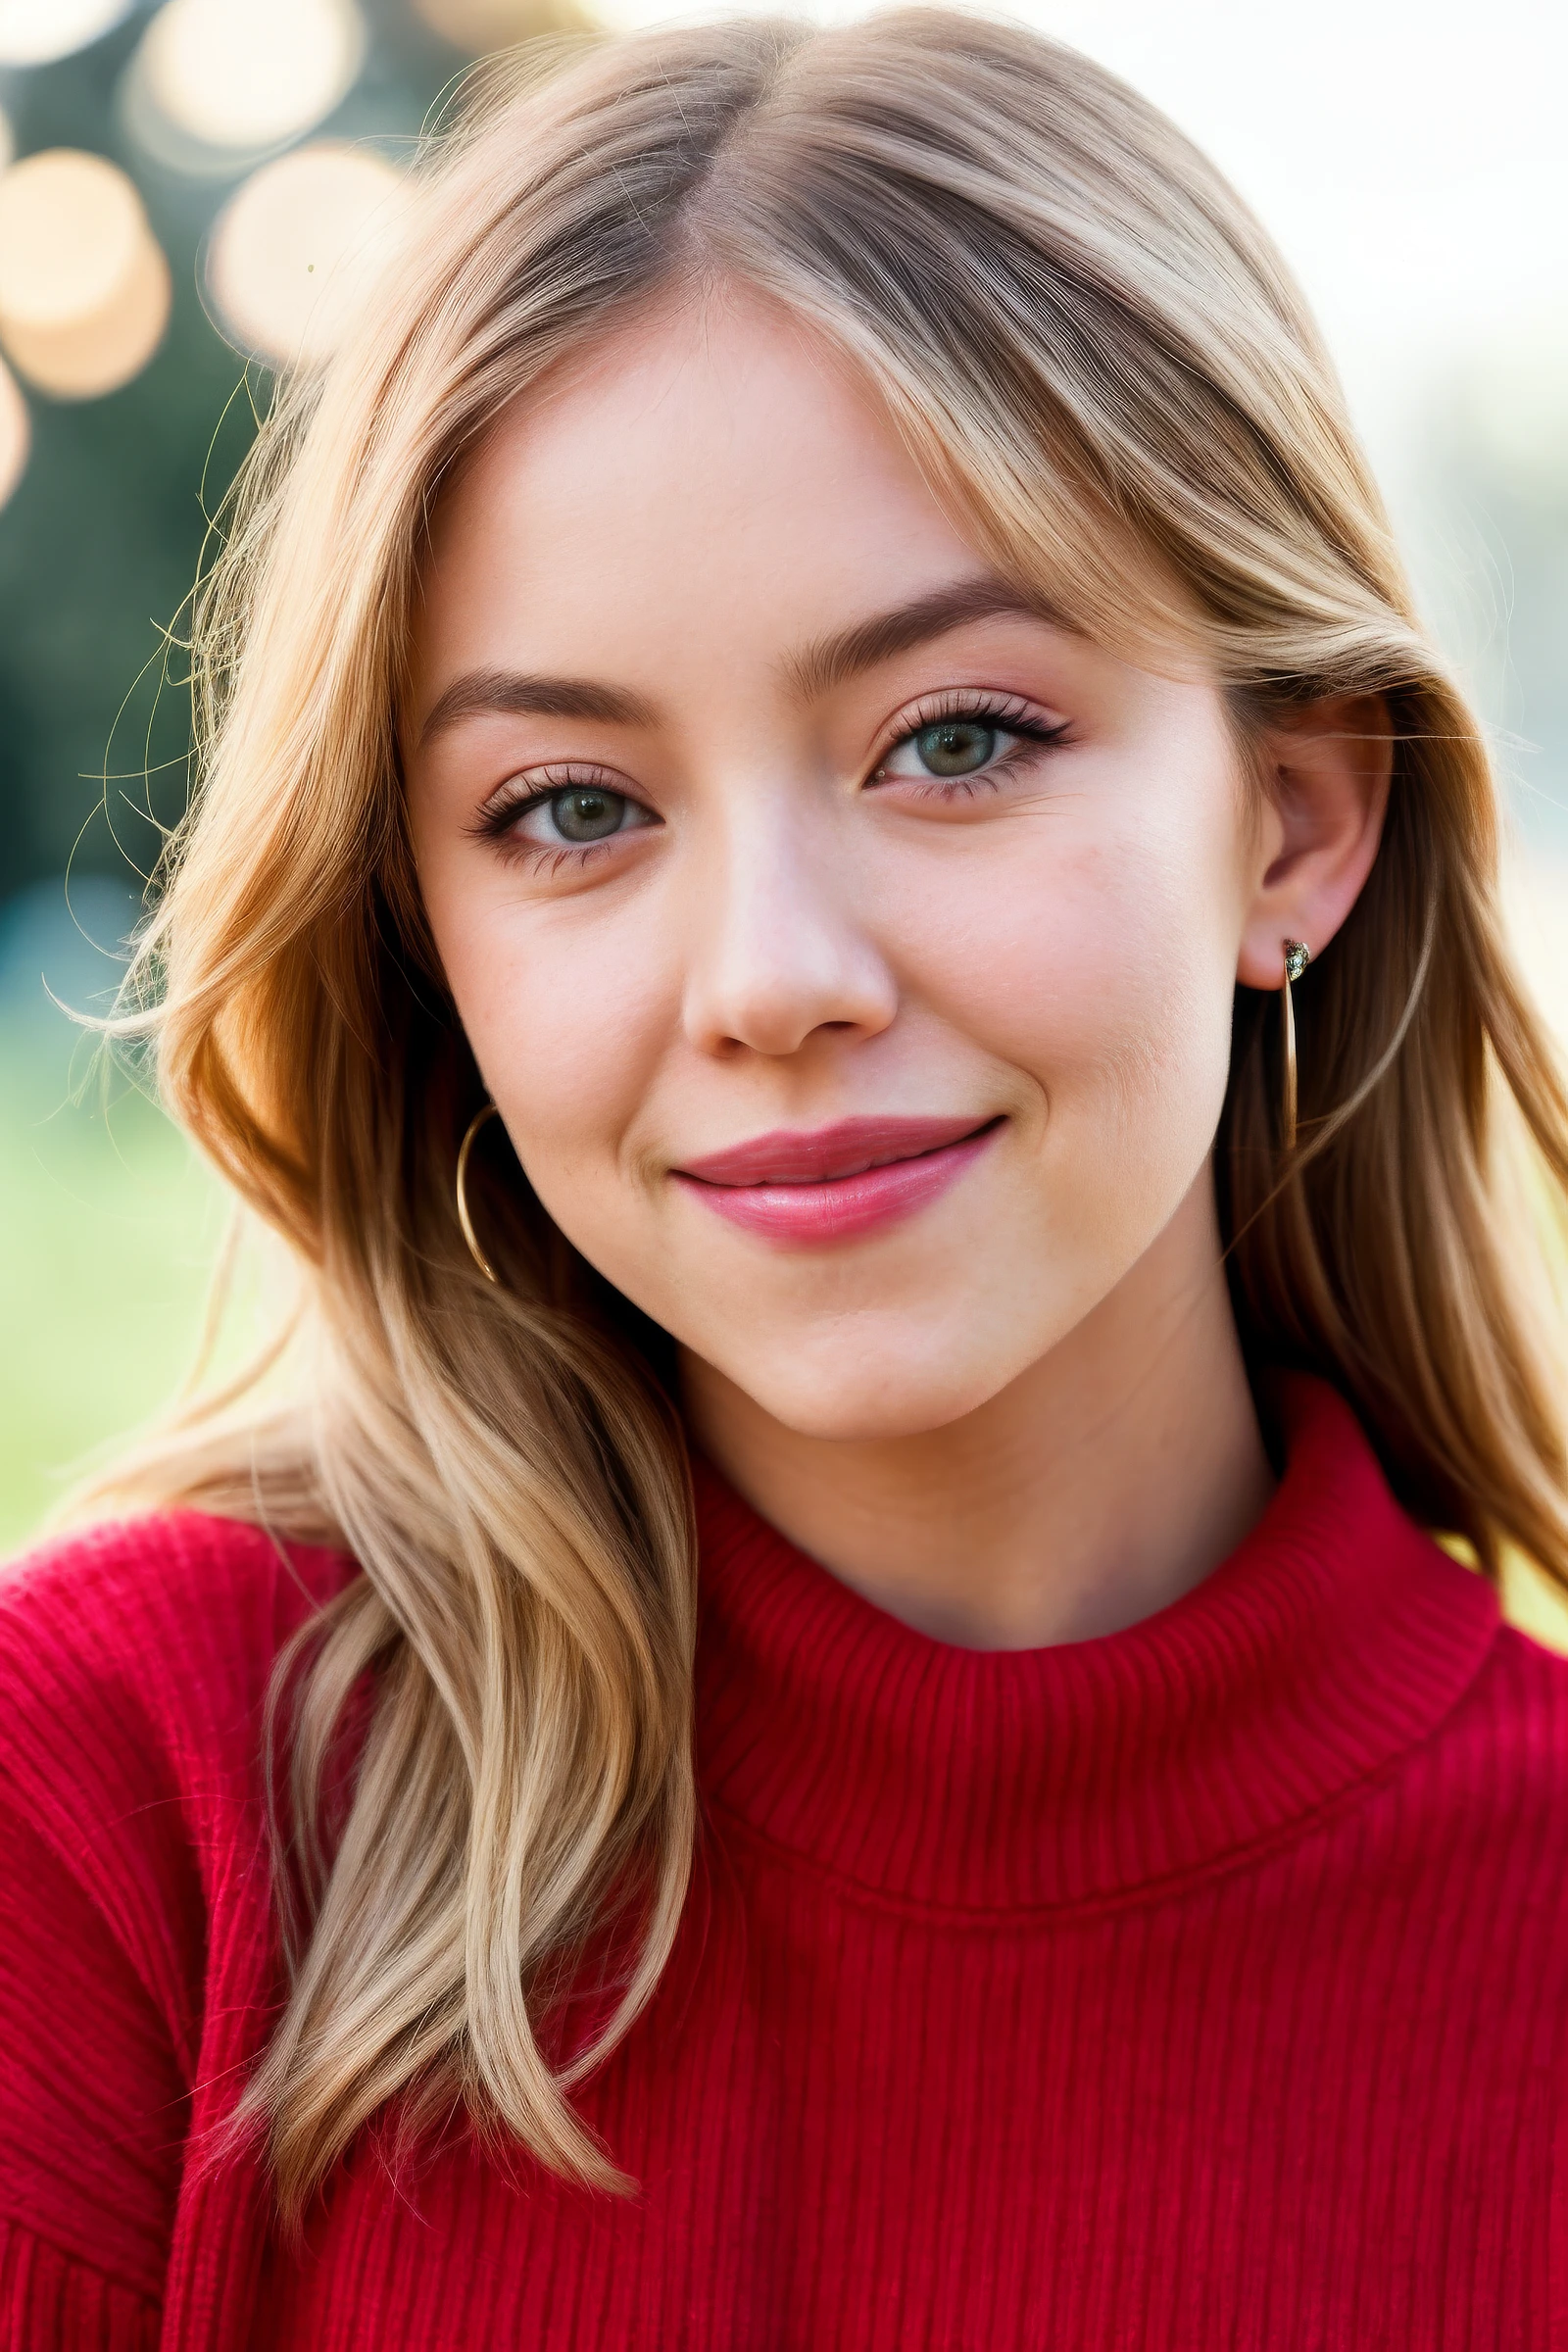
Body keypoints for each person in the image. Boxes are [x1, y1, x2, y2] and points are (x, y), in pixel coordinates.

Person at [4, 11, 1568, 2343]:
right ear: (423, 930)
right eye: (570, 808)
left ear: (1294, 819)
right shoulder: (121, 1831)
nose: (766, 979)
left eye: (955, 741)